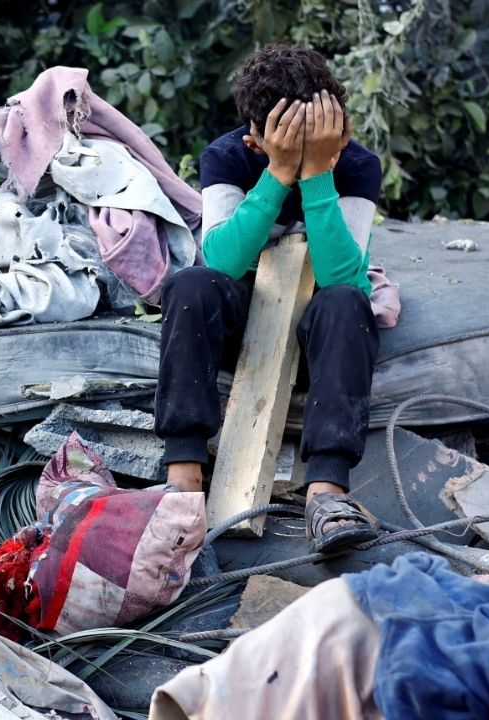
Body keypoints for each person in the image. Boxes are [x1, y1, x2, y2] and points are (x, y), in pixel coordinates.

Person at [154, 43, 386, 553]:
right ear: (255, 139)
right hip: (242, 317)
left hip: (319, 333)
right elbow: (222, 261)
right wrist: (277, 175)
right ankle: (184, 476)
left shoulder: (355, 166)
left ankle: (326, 492)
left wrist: (318, 174)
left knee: (349, 300)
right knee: (190, 284)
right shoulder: (227, 156)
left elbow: (341, 273)